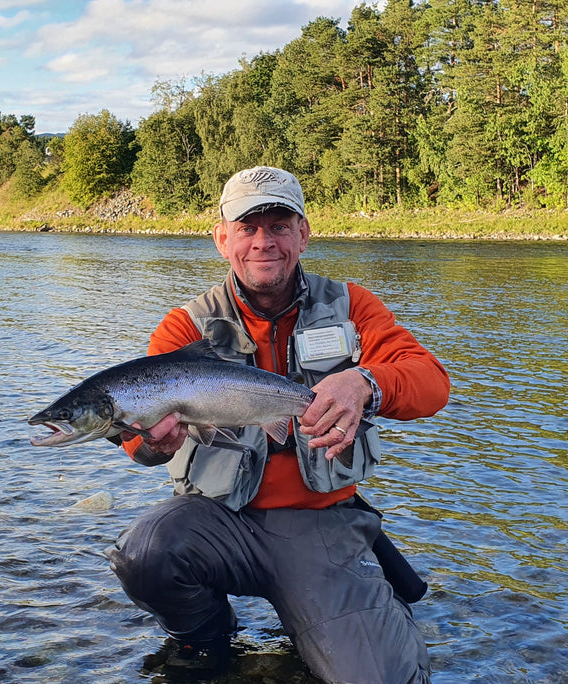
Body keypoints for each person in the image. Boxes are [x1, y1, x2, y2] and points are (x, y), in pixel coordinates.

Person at [106, 166, 450, 683]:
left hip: (322, 527)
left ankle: (357, 615)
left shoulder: (352, 306)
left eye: (280, 225)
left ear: (304, 234)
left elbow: (431, 383)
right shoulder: (185, 328)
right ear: (222, 240)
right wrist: (154, 446)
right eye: (247, 228)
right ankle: (209, 639)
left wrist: (365, 383)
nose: (264, 242)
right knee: (145, 554)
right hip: (216, 521)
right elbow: (137, 443)